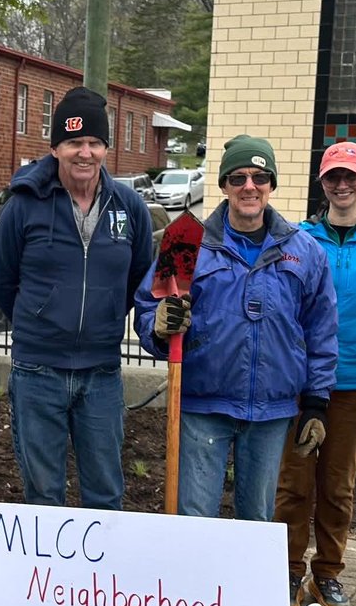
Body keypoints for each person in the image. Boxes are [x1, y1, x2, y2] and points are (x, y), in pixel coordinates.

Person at [133, 134, 338, 520]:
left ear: (271, 185)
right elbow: (149, 306)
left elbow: (321, 329)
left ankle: (244, 584)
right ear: (224, 185)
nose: (249, 187)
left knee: (257, 520)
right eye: (239, 177)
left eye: (260, 177)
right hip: (202, 404)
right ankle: (194, 583)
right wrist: (158, 327)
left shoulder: (304, 250)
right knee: (195, 517)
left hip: (271, 410)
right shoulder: (187, 243)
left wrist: (316, 402)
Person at [0, 86, 153, 510]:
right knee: (44, 493)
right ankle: (50, 579)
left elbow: (139, 276)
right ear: (55, 147)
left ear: (105, 149)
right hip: (37, 369)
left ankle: (98, 579)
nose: (85, 153)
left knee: (106, 493)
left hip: (101, 371)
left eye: (95, 143)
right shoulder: (23, 206)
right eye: (74, 142)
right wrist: (40, 319)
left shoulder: (128, 206)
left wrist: (107, 313)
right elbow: (2, 280)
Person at [274, 142, 356, 606]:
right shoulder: (298, 240)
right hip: (302, 384)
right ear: (322, 183)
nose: (342, 185)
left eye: (351, 176)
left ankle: (326, 573)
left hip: (355, 384)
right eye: (333, 177)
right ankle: (288, 570)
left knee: (337, 485)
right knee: (294, 483)